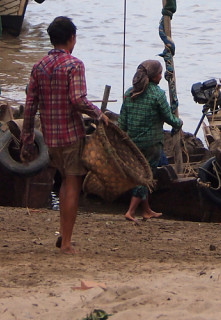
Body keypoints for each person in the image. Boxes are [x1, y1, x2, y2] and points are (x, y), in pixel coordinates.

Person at [21, 15, 107, 254]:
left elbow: (30, 106)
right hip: (70, 135)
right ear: (71, 39)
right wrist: (99, 114)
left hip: (50, 137)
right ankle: (67, 243)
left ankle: (63, 234)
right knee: (72, 184)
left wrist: (27, 139)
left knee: (64, 181)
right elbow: (77, 100)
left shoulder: (39, 66)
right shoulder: (74, 65)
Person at [118, 59, 183, 222]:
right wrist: (179, 123)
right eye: (160, 73)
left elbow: (122, 123)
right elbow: (169, 118)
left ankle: (146, 210)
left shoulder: (129, 93)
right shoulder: (157, 94)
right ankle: (131, 211)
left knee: (141, 173)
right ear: (154, 76)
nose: (161, 76)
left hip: (133, 143)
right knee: (147, 177)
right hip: (151, 144)